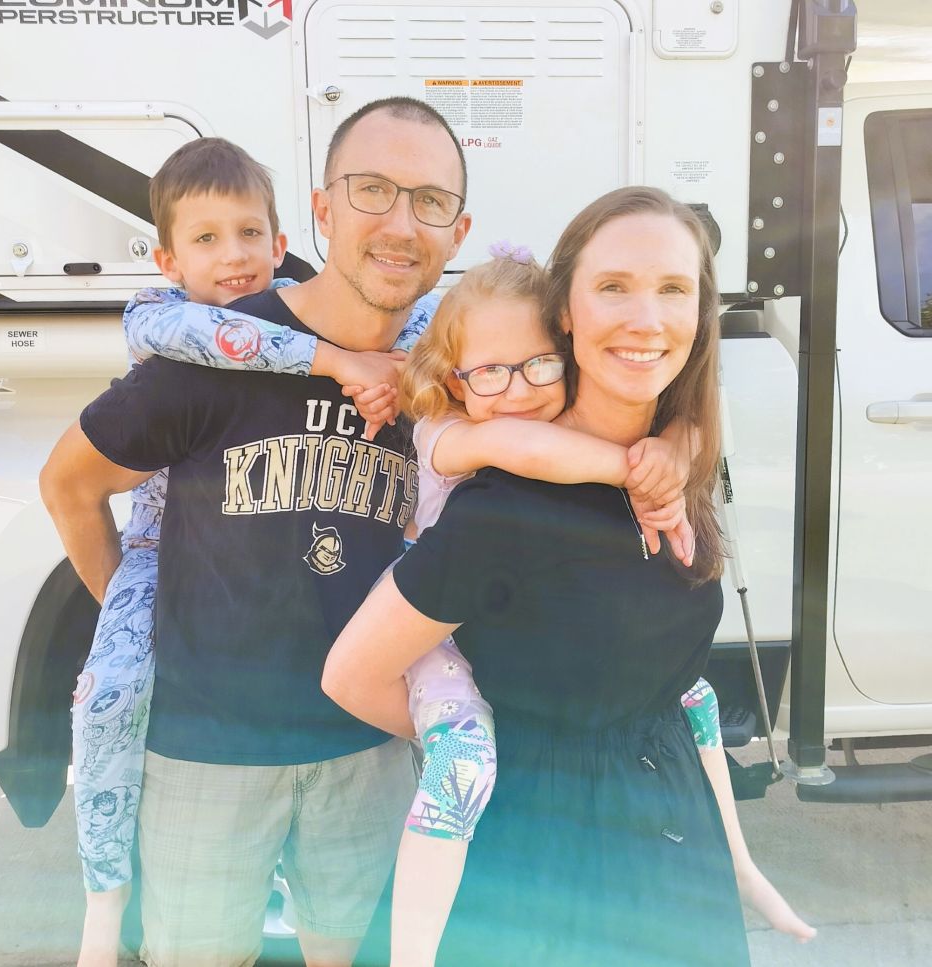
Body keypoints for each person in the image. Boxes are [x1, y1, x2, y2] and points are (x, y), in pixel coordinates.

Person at [324, 187, 816, 966]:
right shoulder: (504, 506)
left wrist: (739, 863)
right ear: (566, 315)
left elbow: (680, 692)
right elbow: (352, 675)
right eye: (614, 285)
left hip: (679, 864)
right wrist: (501, 750)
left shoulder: (673, 463)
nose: (646, 318)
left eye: (673, 288)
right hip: (542, 876)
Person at [41, 97, 470, 967]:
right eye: (372, 189)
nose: (399, 222)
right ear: (320, 211)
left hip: (368, 744)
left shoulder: (443, 372)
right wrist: (140, 611)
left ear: (457, 234)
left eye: (429, 201)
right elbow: (69, 485)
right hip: (207, 749)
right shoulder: (217, 351)